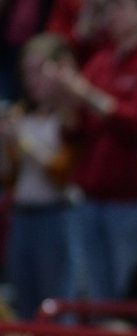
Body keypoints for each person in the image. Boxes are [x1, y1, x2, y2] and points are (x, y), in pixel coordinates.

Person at [48, 0, 137, 301]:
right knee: (92, 295)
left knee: (128, 292)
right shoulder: (100, 61)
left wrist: (82, 93)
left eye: (122, 5)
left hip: (132, 198)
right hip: (90, 194)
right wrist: (67, 104)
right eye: (111, 6)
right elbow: (75, 131)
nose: (113, 14)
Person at [0, 33, 79, 319]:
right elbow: (9, 177)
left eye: (38, 72)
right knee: (24, 301)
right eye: (27, 73)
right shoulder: (21, 114)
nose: (32, 81)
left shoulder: (68, 117)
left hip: (55, 214)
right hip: (21, 215)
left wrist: (22, 142)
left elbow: (61, 174)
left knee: (56, 301)